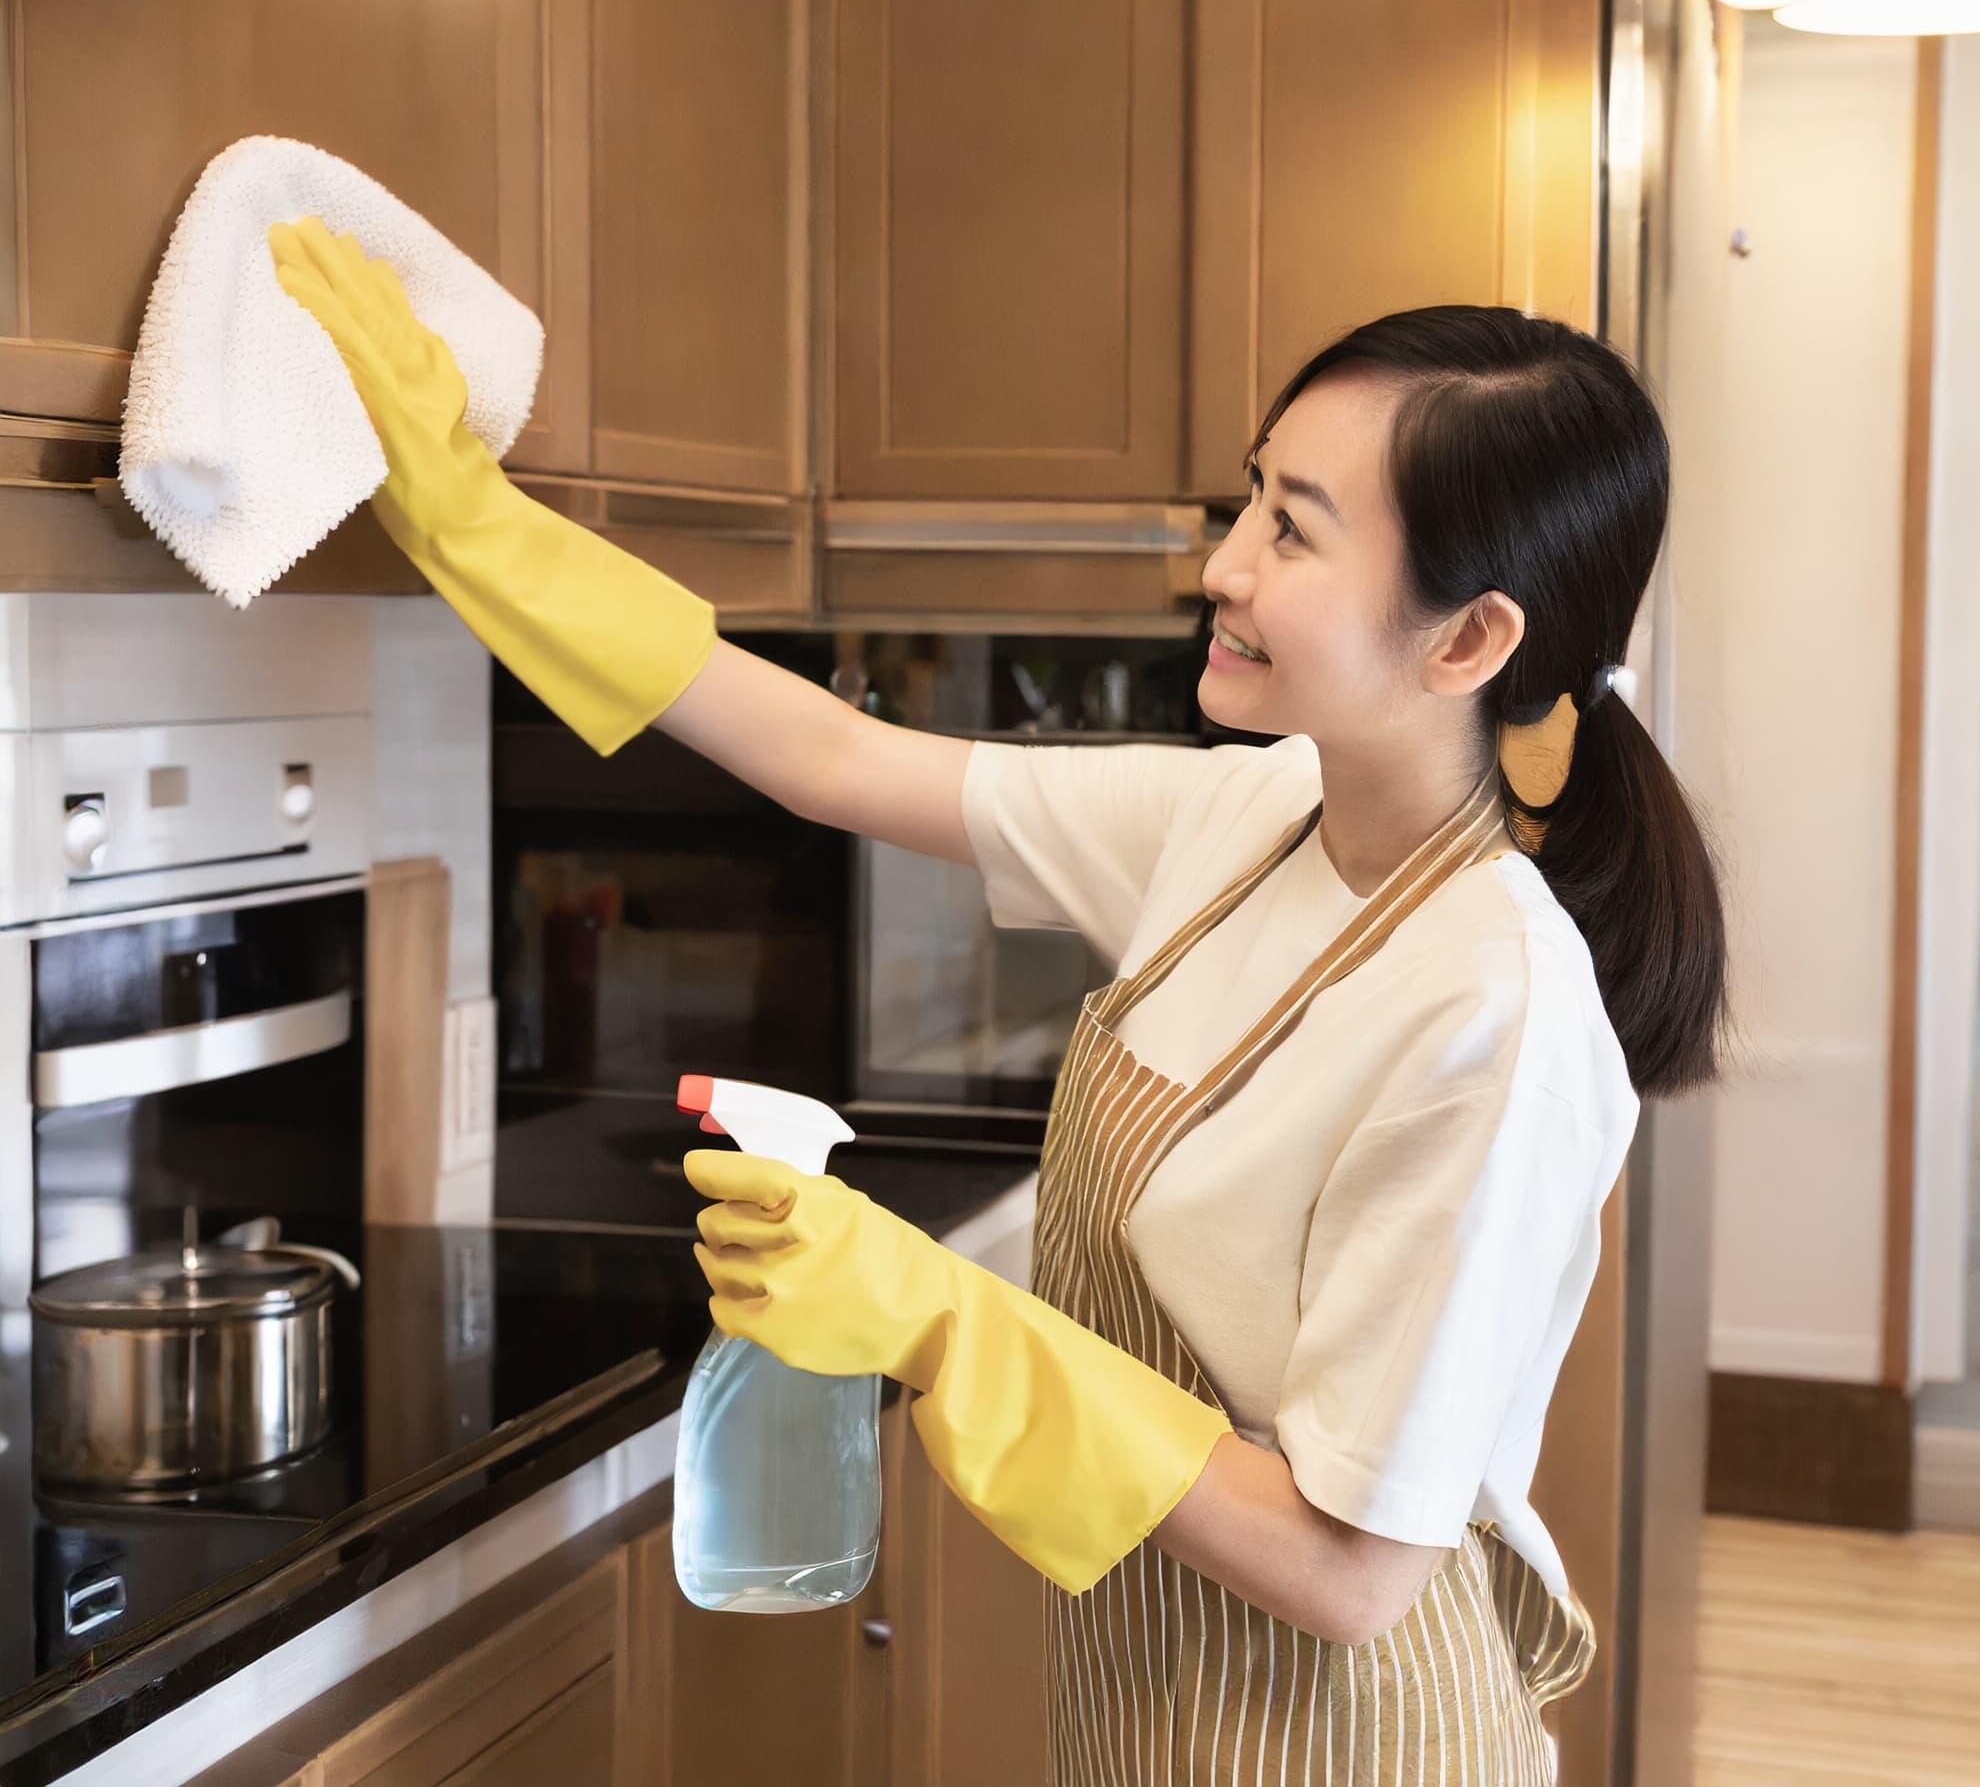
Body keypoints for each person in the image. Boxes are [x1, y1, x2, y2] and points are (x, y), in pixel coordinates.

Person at [272, 218, 1726, 1785]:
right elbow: (837, 758)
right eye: (1250, 495)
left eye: (1293, 532)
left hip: (1349, 1745)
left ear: (1471, 637)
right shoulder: (1248, 822)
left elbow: (1349, 1569)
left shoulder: (1497, 1015)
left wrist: (936, 1314)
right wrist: (479, 532)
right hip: (1140, 1704)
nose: (1222, 564)